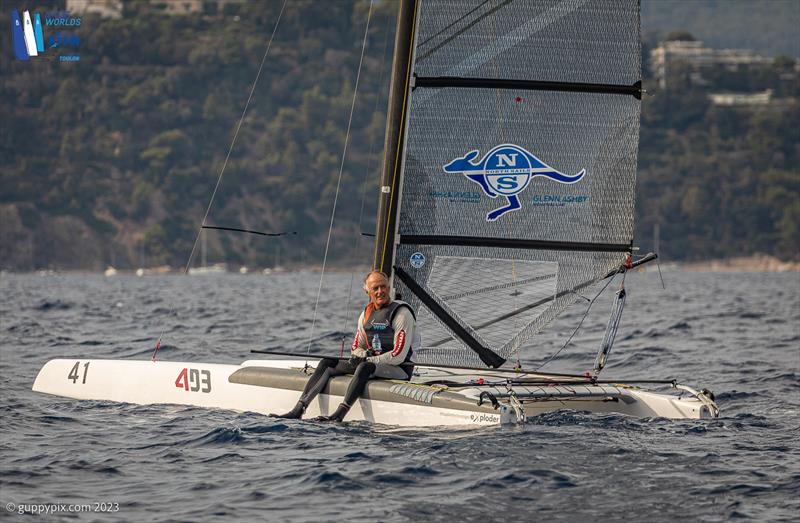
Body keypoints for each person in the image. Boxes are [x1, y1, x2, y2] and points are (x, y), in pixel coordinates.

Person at [271, 270, 418, 422]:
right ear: (367, 291)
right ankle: (298, 409)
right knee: (327, 363)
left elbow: (398, 356)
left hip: (400, 369)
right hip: (373, 364)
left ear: (389, 288)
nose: (380, 291)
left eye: (383, 287)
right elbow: (356, 348)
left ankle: (338, 415)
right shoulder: (366, 315)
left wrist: (368, 360)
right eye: (375, 288)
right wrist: (363, 356)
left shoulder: (401, 314)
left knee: (364, 367)